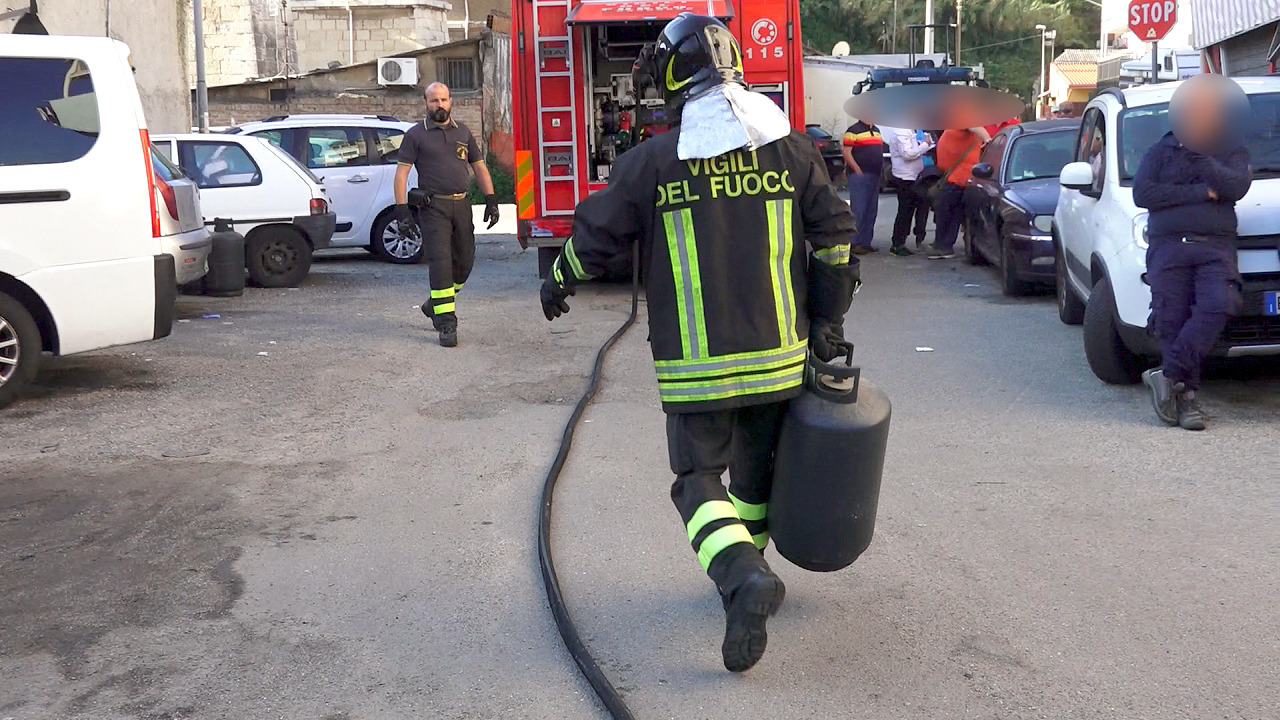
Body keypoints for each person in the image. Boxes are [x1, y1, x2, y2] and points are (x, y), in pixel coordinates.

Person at [539, 13, 858, 673]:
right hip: (780, 359)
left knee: (697, 480)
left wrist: (559, 281)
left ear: (671, 79)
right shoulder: (792, 151)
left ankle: (742, 578)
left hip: (698, 369)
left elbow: (595, 237)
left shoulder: (652, 162)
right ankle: (751, 573)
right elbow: (836, 238)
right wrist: (827, 321)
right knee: (755, 478)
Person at [1135, 75, 1252, 431]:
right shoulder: (1160, 152)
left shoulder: (1231, 149)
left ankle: (1167, 374)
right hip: (1168, 247)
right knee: (1171, 319)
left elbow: (1236, 187)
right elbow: (1145, 195)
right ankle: (1187, 401)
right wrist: (1202, 193)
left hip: (1214, 248)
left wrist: (1204, 160)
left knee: (1218, 305)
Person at [394, 82, 500, 348]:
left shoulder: (462, 132)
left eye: (443, 100)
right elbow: (402, 174)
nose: (439, 105)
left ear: (451, 101)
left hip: (462, 205)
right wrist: (402, 210)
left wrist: (491, 199)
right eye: (433, 101)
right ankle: (446, 323)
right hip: (433, 208)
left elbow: (480, 166)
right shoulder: (416, 135)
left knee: (465, 263)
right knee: (441, 263)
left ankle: (436, 304)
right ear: (426, 104)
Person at [927, 125, 990, 259]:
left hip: (960, 177)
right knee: (951, 212)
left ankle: (943, 246)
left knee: (947, 212)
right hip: (956, 176)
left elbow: (976, 128)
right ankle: (944, 245)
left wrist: (988, 140)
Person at [880, 126, 935, 255]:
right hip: (905, 177)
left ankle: (902, 241)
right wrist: (925, 146)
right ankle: (897, 243)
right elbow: (908, 154)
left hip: (913, 175)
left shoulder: (910, 130)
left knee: (910, 211)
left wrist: (923, 145)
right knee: (905, 212)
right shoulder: (901, 131)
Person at [842, 115, 885, 254]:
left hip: (875, 175)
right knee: (859, 210)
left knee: (871, 211)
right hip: (859, 176)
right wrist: (857, 170)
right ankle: (854, 243)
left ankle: (866, 242)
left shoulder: (877, 131)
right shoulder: (853, 130)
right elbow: (847, 153)